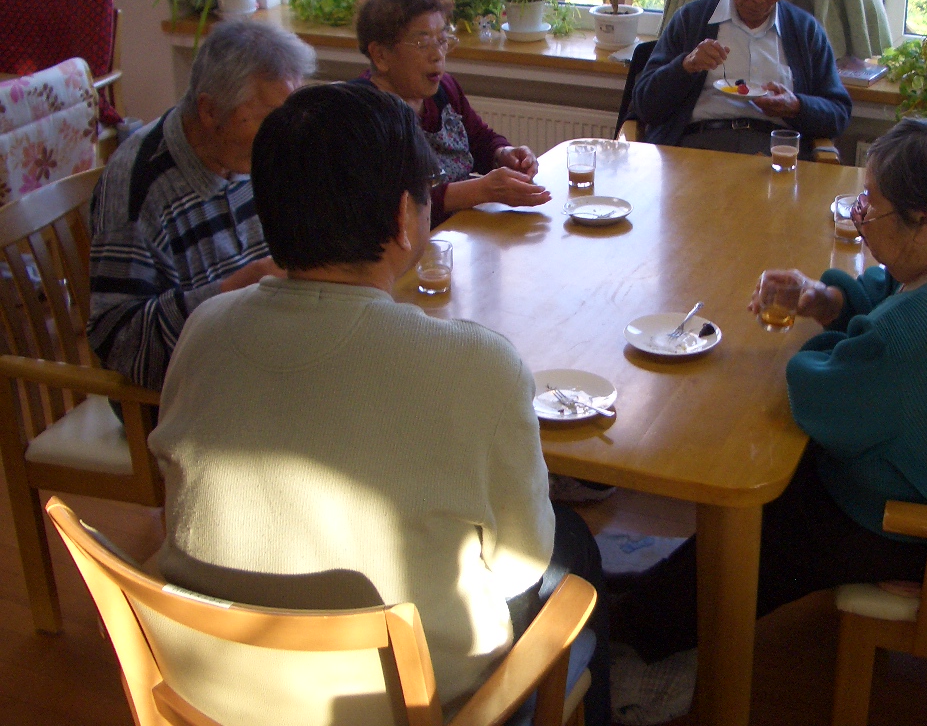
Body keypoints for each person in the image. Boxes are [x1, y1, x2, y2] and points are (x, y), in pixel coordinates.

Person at [149, 83, 609, 725]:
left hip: (213, 683)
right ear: (404, 217)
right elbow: (517, 572)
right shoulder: (479, 365)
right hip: (406, 702)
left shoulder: (203, 329)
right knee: (574, 551)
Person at [611, 117, 927, 662]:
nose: (859, 216)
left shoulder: (921, 328)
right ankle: (665, 592)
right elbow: (887, 296)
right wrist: (823, 302)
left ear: (924, 222)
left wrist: (810, 349)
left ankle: (635, 633)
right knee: (787, 490)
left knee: (785, 518)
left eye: (868, 207)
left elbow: (819, 397)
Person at [88, 19, 315, 391]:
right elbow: (119, 342)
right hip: (188, 393)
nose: (284, 134)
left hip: (262, 355)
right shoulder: (138, 190)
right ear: (210, 112)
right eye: (269, 118)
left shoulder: (252, 151)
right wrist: (232, 292)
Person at [630, 0, 852, 156]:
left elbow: (838, 113)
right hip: (699, 147)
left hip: (774, 151)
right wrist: (686, 66)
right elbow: (645, 106)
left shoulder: (805, 31)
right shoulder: (692, 19)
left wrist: (796, 106)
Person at [354, 0, 551, 226]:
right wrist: (482, 190)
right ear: (381, 56)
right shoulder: (363, 114)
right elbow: (393, 207)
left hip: (460, 232)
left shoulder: (444, 89)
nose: (437, 54)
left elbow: (479, 139)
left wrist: (504, 155)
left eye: (442, 40)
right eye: (423, 42)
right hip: (407, 252)